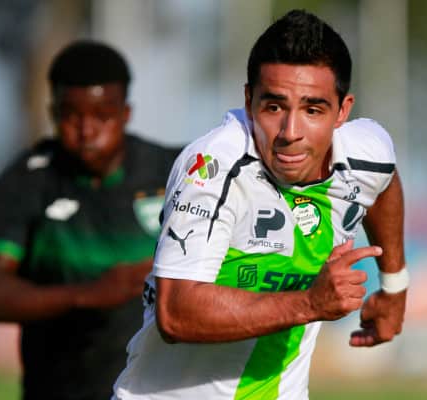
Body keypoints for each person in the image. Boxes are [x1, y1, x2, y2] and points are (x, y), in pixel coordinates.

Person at [112, 10, 407, 400]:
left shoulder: (366, 154)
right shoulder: (212, 167)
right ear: (249, 100)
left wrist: (395, 286)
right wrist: (310, 303)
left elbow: (385, 182)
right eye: (274, 107)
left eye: (313, 110)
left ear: (342, 111)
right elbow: (175, 313)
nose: (290, 132)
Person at [0, 40, 180, 400]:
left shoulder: (174, 172)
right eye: (71, 115)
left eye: (102, 115)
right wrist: (87, 294)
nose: (86, 129)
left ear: (125, 113)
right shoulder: (26, 182)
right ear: (52, 112)